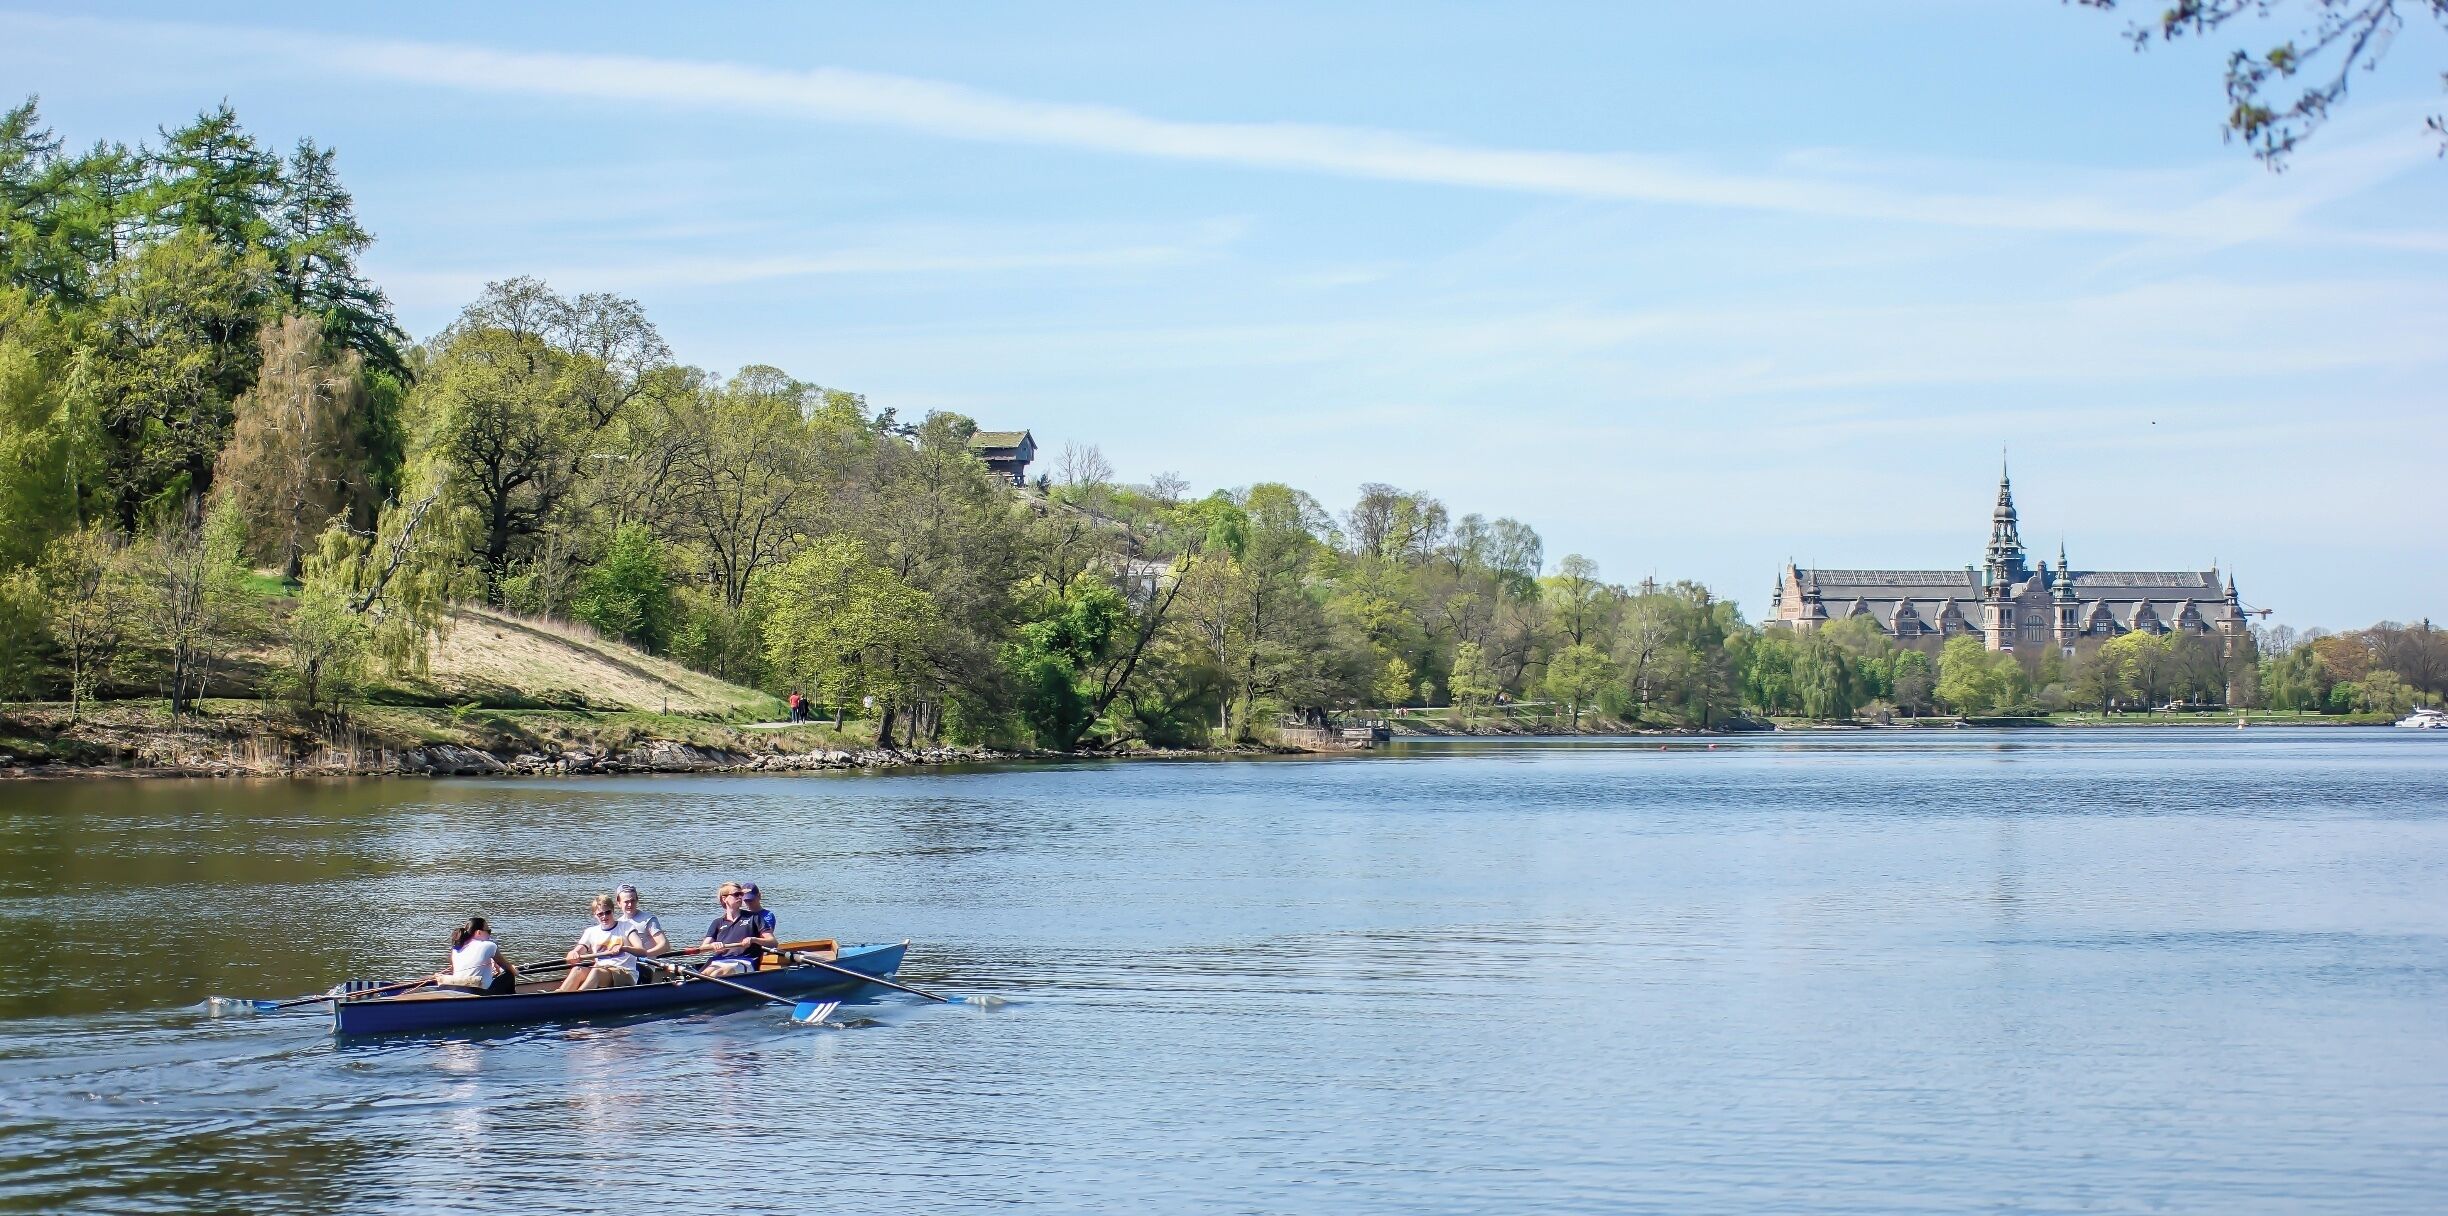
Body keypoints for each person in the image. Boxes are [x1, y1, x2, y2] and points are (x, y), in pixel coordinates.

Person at [558, 894, 639, 991]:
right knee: (577, 969)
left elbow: (641, 951)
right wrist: (573, 953)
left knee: (597, 972)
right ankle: (557, 996)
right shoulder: (591, 931)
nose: (604, 916)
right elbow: (578, 950)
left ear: (613, 911)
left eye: (607, 912)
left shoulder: (626, 927)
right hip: (601, 970)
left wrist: (624, 948)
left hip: (625, 973)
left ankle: (578, 997)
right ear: (595, 915)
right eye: (600, 914)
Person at [431, 917, 517, 996]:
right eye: (488, 931)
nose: (489, 935)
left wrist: (494, 970)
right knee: (509, 975)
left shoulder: (456, 949)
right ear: (478, 932)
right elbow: (507, 966)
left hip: (457, 989)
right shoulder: (489, 945)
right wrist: (514, 970)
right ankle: (514, 1002)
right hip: (479, 992)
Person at [697, 882, 762, 976]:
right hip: (719, 961)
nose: (740, 897)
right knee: (705, 973)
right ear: (724, 899)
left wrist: (753, 939)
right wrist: (713, 945)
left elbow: (772, 942)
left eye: (741, 894)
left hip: (744, 961)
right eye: (736, 894)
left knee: (720, 971)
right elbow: (702, 949)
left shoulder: (754, 918)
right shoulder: (717, 922)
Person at [615, 884, 669, 966]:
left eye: (632, 900)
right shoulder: (618, 923)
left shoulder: (648, 919)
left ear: (637, 900)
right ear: (619, 903)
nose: (630, 904)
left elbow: (665, 946)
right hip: (626, 966)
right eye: (626, 902)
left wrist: (644, 953)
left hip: (645, 966)